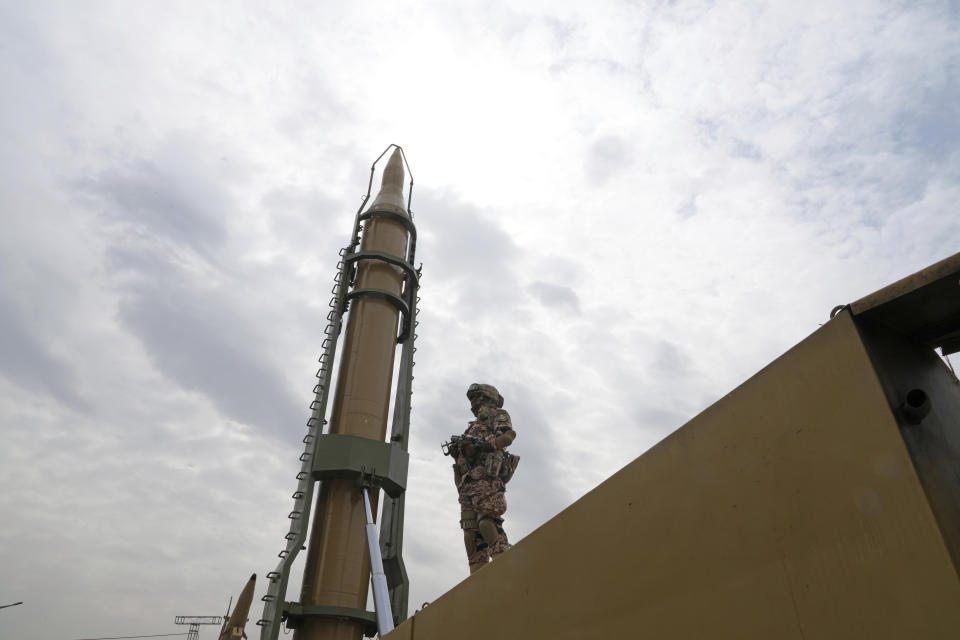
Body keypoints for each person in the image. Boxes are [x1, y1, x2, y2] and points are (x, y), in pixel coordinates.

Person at [448, 383, 518, 574]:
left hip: (486, 478)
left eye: (477, 398)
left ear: (488, 398)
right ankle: (478, 572)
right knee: (470, 531)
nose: (473, 403)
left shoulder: (497, 415)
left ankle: (502, 559)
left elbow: (508, 435)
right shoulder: (472, 428)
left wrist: (490, 444)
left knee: (486, 521)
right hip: (467, 483)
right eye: (472, 399)